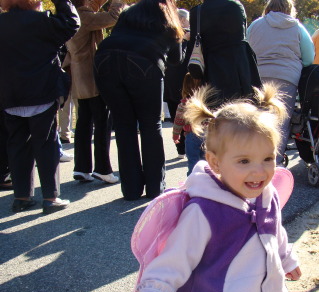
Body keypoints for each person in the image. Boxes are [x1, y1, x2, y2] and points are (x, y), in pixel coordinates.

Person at [133, 83, 301, 292]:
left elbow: (274, 234)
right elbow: (175, 258)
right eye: (244, 161)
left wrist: (286, 257)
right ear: (215, 162)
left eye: (267, 158)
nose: (259, 171)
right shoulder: (204, 212)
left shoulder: (267, 197)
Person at [94, 0, 184, 200]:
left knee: (123, 126)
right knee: (150, 126)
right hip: (144, 62)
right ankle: (155, 187)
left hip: (105, 58)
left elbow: (118, 35)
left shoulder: (130, 12)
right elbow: (176, 59)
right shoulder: (168, 16)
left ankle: (131, 189)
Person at [0, 0, 79, 214]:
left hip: (9, 94)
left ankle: (21, 196)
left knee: (17, 145)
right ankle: (50, 198)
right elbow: (72, 22)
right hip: (40, 91)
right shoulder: (43, 22)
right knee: (46, 144)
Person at [247, 0, 314, 165]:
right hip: (286, 78)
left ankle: (251, 159)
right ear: (290, 9)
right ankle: (273, 163)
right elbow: (309, 58)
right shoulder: (297, 28)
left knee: (255, 120)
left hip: (257, 77)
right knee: (280, 123)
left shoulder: (255, 26)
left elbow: (246, 50)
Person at [65, 0, 124, 184]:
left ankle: (82, 168)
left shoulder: (73, 15)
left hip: (78, 76)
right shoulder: (85, 16)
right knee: (102, 122)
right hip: (92, 76)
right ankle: (103, 168)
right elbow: (114, 16)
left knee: (83, 122)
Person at [187, 0, 262, 104]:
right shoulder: (235, 6)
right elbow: (243, 37)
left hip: (212, 69)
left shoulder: (197, 12)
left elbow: (193, 47)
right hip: (239, 68)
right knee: (244, 110)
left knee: (214, 111)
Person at [164, 8, 191, 159]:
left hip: (173, 82)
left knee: (177, 115)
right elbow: (179, 59)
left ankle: (182, 149)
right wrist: (186, 40)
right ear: (181, 20)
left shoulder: (166, 34)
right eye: (187, 20)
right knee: (182, 115)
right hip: (181, 82)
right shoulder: (175, 35)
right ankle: (184, 148)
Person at [172, 73, 203, 175]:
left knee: (193, 162)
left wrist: (176, 135)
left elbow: (178, 121)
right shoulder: (206, 102)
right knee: (207, 163)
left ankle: (192, 184)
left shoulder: (184, 104)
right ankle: (208, 185)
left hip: (191, 135)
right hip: (207, 135)